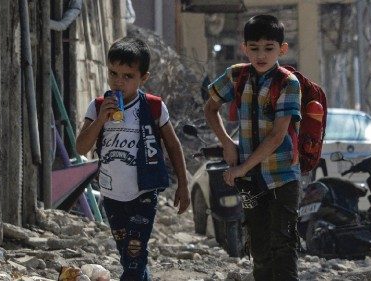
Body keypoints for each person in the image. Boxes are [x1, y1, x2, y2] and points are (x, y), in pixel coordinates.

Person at [75, 36, 190, 281]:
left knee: (135, 257)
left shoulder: (153, 107)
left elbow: (172, 144)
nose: (119, 82)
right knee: (127, 255)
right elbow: (81, 147)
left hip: (143, 192)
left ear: (143, 78)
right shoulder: (97, 107)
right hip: (111, 194)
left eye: (128, 76)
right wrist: (100, 120)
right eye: (114, 73)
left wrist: (183, 183)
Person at [204, 15, 301, 281]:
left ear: (282, 49)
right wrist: (227, 143)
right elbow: (210, 108)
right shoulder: (236, 75)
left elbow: (278, 136)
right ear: (244, 48)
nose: (261, 55)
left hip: (282, 177)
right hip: (250, 181)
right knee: (258, 246)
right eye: (254, 48)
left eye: (269, 48)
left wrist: (241, 167)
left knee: (283, 245)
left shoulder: (288, 83)